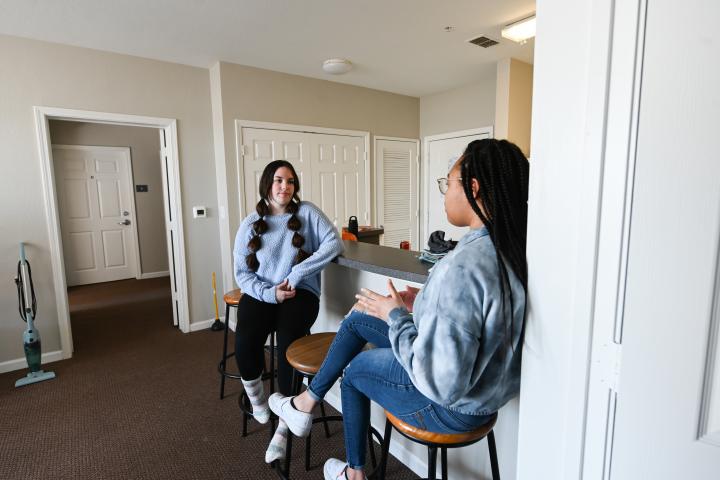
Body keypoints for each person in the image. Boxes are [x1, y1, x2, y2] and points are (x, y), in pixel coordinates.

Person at [268, 139, 529, 480]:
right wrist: (417, 302)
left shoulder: (462, 267)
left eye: (447, 183)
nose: (445, 192)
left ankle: (354, 473)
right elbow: (473, 319)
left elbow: (440, 382)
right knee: (361, 316)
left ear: (474, 189)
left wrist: (396, 317)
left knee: (355, 372)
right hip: (484, 392)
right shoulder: (508, 247)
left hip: (452, 406)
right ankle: (306, 403)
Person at [232, 159, 343, 464]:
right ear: (267, 184)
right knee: (245, 340)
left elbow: (334, 244)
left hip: (300, 293)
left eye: (290, 181)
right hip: (262, 292)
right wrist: (270, 293)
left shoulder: (306, 212)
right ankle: (259, 403)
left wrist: (295, 275)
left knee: (288, 345)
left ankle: (284, 424)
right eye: (279, 180)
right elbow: (242, 273)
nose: (285, 187)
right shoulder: (250, 222)